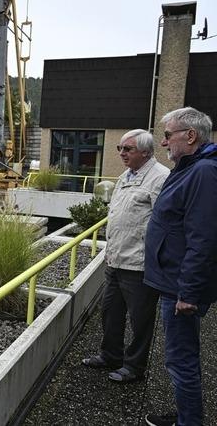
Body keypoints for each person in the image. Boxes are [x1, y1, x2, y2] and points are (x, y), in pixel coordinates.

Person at [144, 107, 217, 426]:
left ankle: (189, 422)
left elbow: (203, 238)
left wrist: (188, 292)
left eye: (168, 135)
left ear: (190, 136)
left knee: (181, 359)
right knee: (179, 357)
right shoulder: (191, 167)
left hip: (180, 288)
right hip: (174, 281)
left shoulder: (203, 172)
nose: (164, 143)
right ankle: (187, 415)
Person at [82, 129, 169, 383]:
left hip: (139, 264)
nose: (121, 153)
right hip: (116, 259)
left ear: (145, 151)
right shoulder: (126, 175)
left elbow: (165, 224)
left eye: (127, 149)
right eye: (120, 148)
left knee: (140, 319)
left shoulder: (160, 178)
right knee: (110, 312)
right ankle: (110, 355)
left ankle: (134, 366)